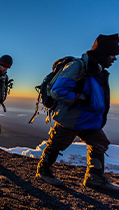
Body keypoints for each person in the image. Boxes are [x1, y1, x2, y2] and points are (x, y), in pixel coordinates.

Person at [36, 34, 119, 191]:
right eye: (112, 54)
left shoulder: (97, 70)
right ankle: (43, 171)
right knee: (57, 144)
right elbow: (57, 91)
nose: (114, 59)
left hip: (89, 120)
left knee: (100, 143)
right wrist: (80, 99)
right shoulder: (78, 66)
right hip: (71, 118)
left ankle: (94, 178)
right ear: (103, 53)